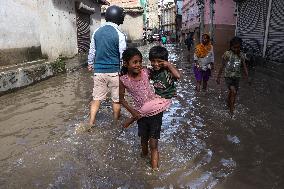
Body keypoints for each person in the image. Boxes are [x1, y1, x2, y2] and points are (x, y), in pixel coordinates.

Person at [119, 47, 171, 170]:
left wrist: (167, 65)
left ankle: (154, 171)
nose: (138, 65)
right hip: (140, 114)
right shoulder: (123, 80)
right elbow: (121, 99)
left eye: (140, 62)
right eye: (135, 62)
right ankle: (143, 157)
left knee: (153, 143)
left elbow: (160, 72)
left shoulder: (146, 72)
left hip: (156, 112)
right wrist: (133, 112)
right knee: (143, 140)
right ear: (126, 64)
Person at [87, 5, 126, 127]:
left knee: (96, 99)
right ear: (119, 18)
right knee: (116, 99)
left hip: (98, 72)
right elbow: (123, 53)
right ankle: (115, 123)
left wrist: (90, 64)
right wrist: (123, 70)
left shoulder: (97, 32)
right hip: (114, 72)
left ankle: (91, 122)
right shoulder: (119, 34)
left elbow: (92, 51)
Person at [216, 36, 249, 115]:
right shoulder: (227, 54)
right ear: (231, 47)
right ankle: (231, 112)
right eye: (234, 47)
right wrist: (218, 77)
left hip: (237, 77)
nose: (236, 49)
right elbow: (222, 66)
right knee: (233, 91)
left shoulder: (241, 55)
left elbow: (244, 66)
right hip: (228, 77)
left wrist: (248, 77)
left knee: (233, 93)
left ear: (240, 47)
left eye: (238, 47)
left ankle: (228, 104)